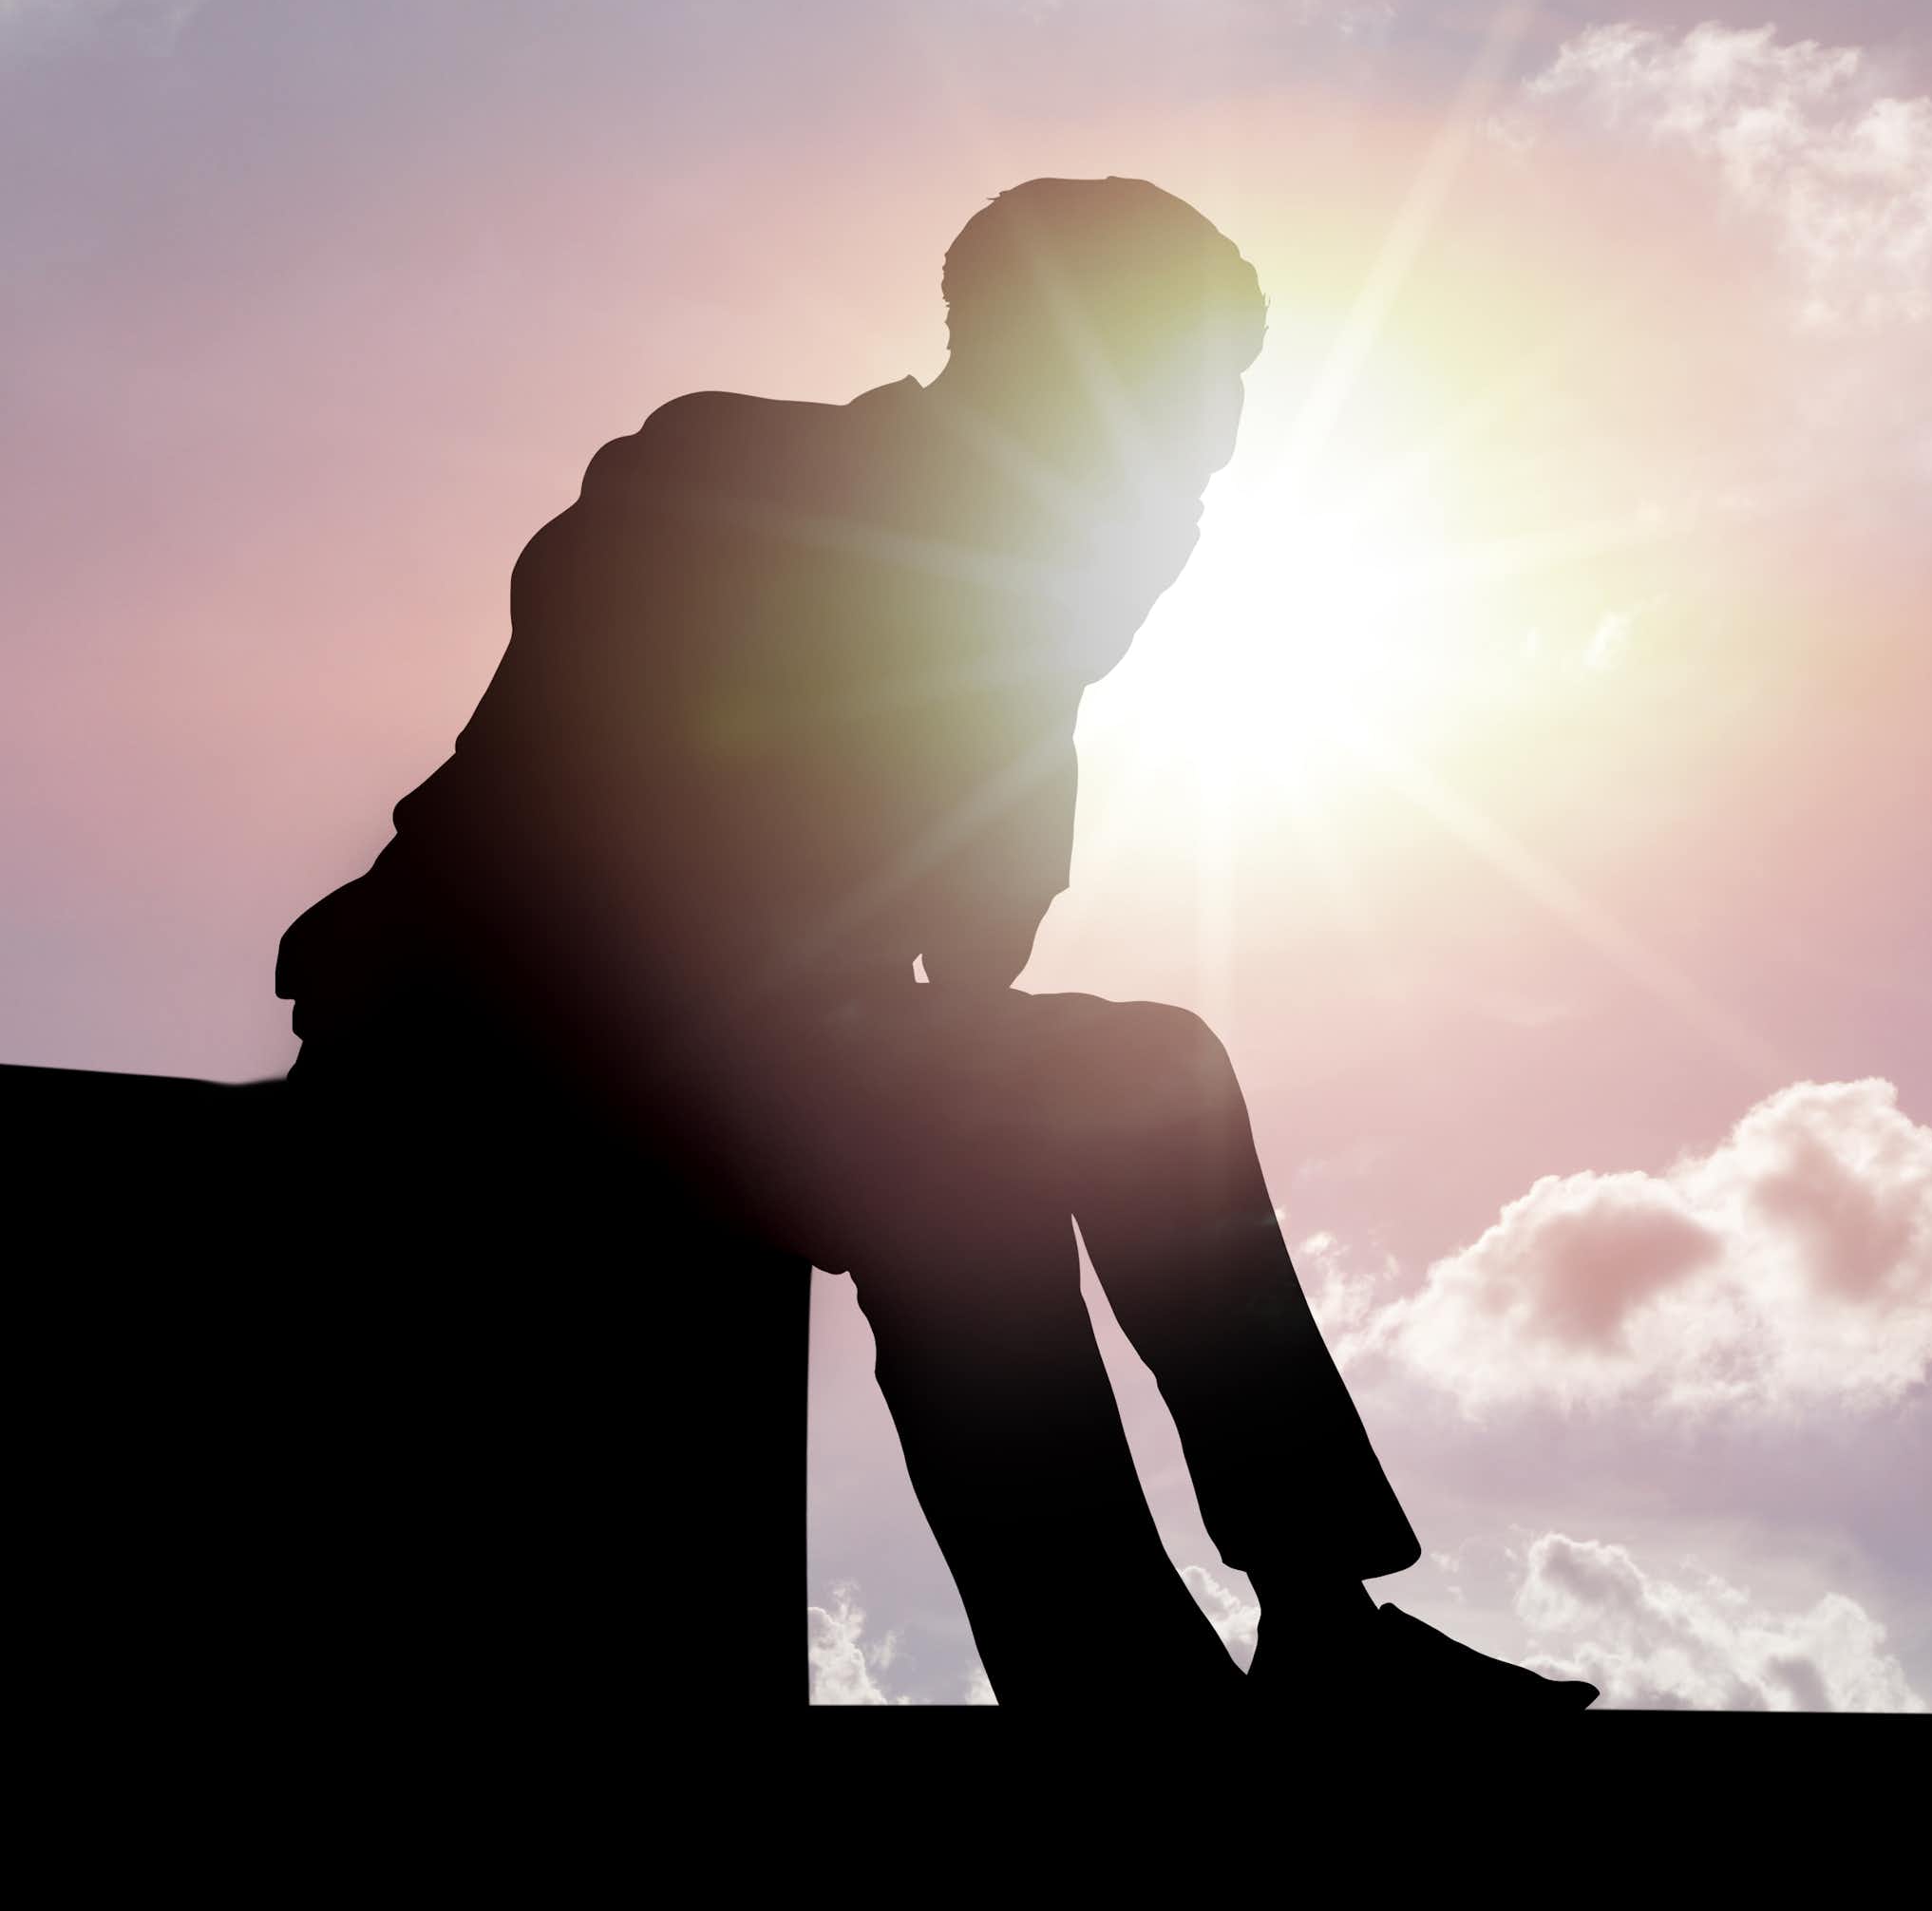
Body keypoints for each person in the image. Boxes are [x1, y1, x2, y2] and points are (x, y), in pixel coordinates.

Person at [276, 177, 1594, 1710]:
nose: (1215, 451)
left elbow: (977, 938)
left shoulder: (1029, 606)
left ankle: (1309, 1622)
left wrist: (1039, 662)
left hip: (759, 1048)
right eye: (1188, 397)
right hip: (509, 1021)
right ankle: (1126, 1679)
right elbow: (596, 788)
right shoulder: (733, 470)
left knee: (1125, 1078)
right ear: (1049, 362)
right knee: (976, 1154)